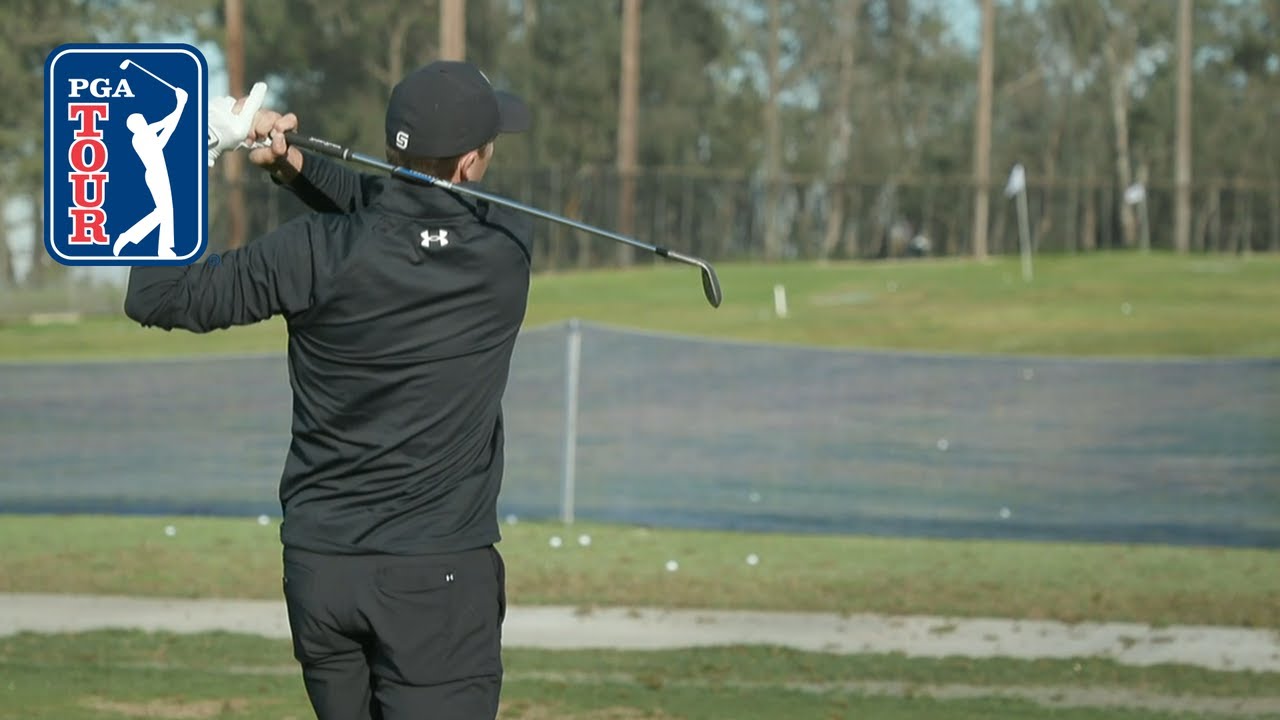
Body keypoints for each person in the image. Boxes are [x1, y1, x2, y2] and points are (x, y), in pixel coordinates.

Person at [123, 60, 533, 720]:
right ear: (468, 164)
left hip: (322, 577)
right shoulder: (507, 246)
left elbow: (158, 295)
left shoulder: (310, 253)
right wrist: (297, 171)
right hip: (437, 581)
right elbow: (406, 215)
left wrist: (188, 154)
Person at [114, 86, 188, 258]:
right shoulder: (139, 138)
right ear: (135, 126)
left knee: (165, 211)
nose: (144, 120)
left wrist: (180, 104)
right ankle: (130, 237)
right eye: (140, 120)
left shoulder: (146, 131)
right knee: (163, 211)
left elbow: (166, 122)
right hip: (155, 174)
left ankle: (162, 248)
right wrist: (181, 104)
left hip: (159, 172)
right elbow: (166, 133)